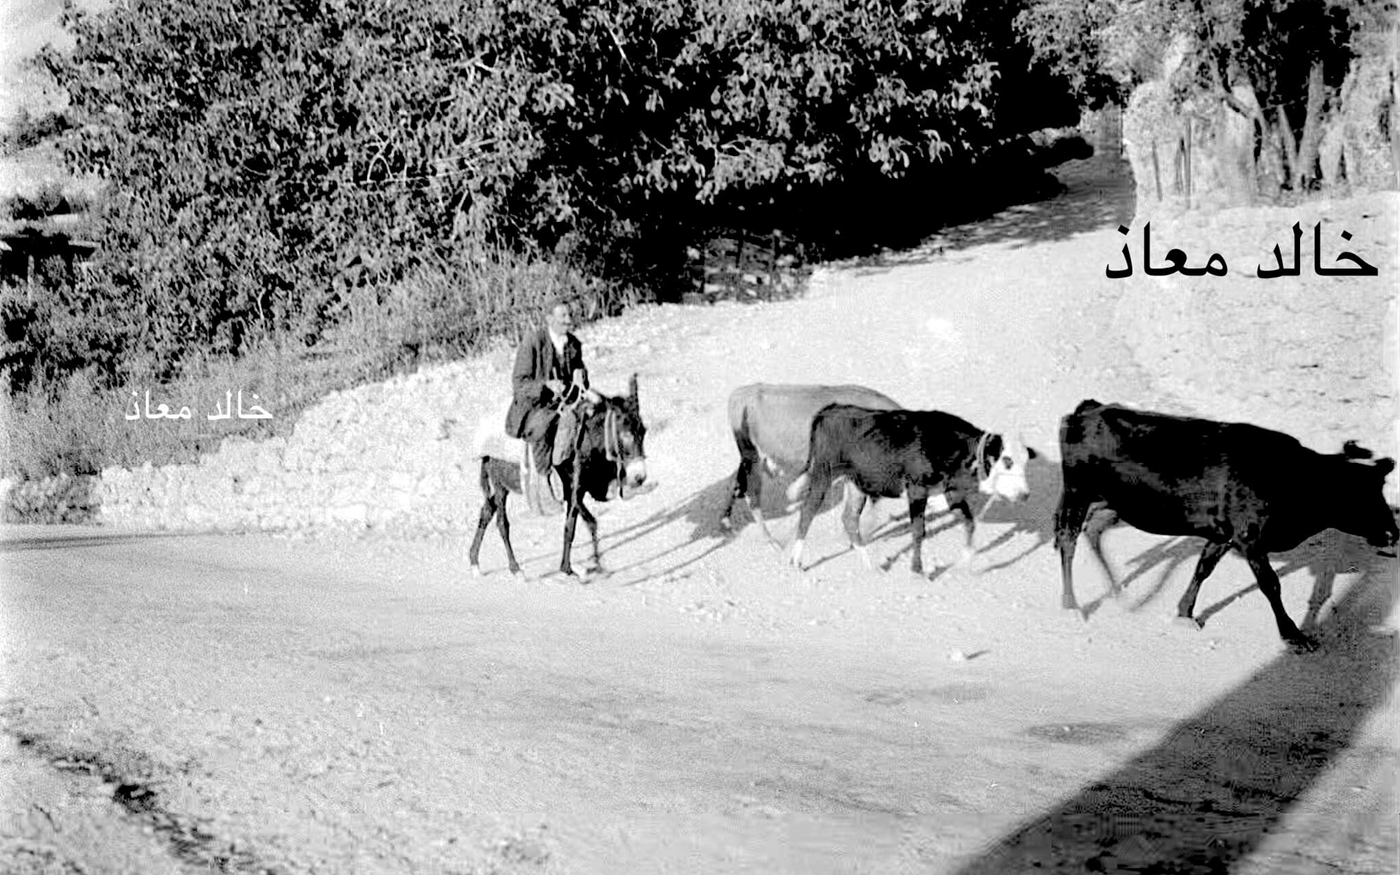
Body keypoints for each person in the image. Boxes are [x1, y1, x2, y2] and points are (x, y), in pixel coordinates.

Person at [504, 298, 602, 515]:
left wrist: (582, 377)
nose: (569, 321)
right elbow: (519, 383)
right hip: (534, 404)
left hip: (567, 401)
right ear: (549, 319)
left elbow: (582, 383)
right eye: (563, 317)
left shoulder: (574, 344)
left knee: (597, 417)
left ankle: (601, 476)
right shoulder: (533, 341)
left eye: (569, 316)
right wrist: (546, 386)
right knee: (544, 425)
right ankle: (543, 478)